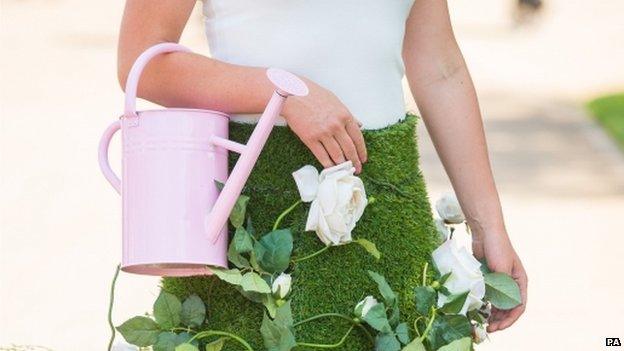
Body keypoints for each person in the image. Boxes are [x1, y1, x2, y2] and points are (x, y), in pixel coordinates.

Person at [117, 0, 528, 349]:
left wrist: (488, 225)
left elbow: (441, 69)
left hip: (392, 220)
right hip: (256, 222)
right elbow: (143, 60)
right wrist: (281, 91)